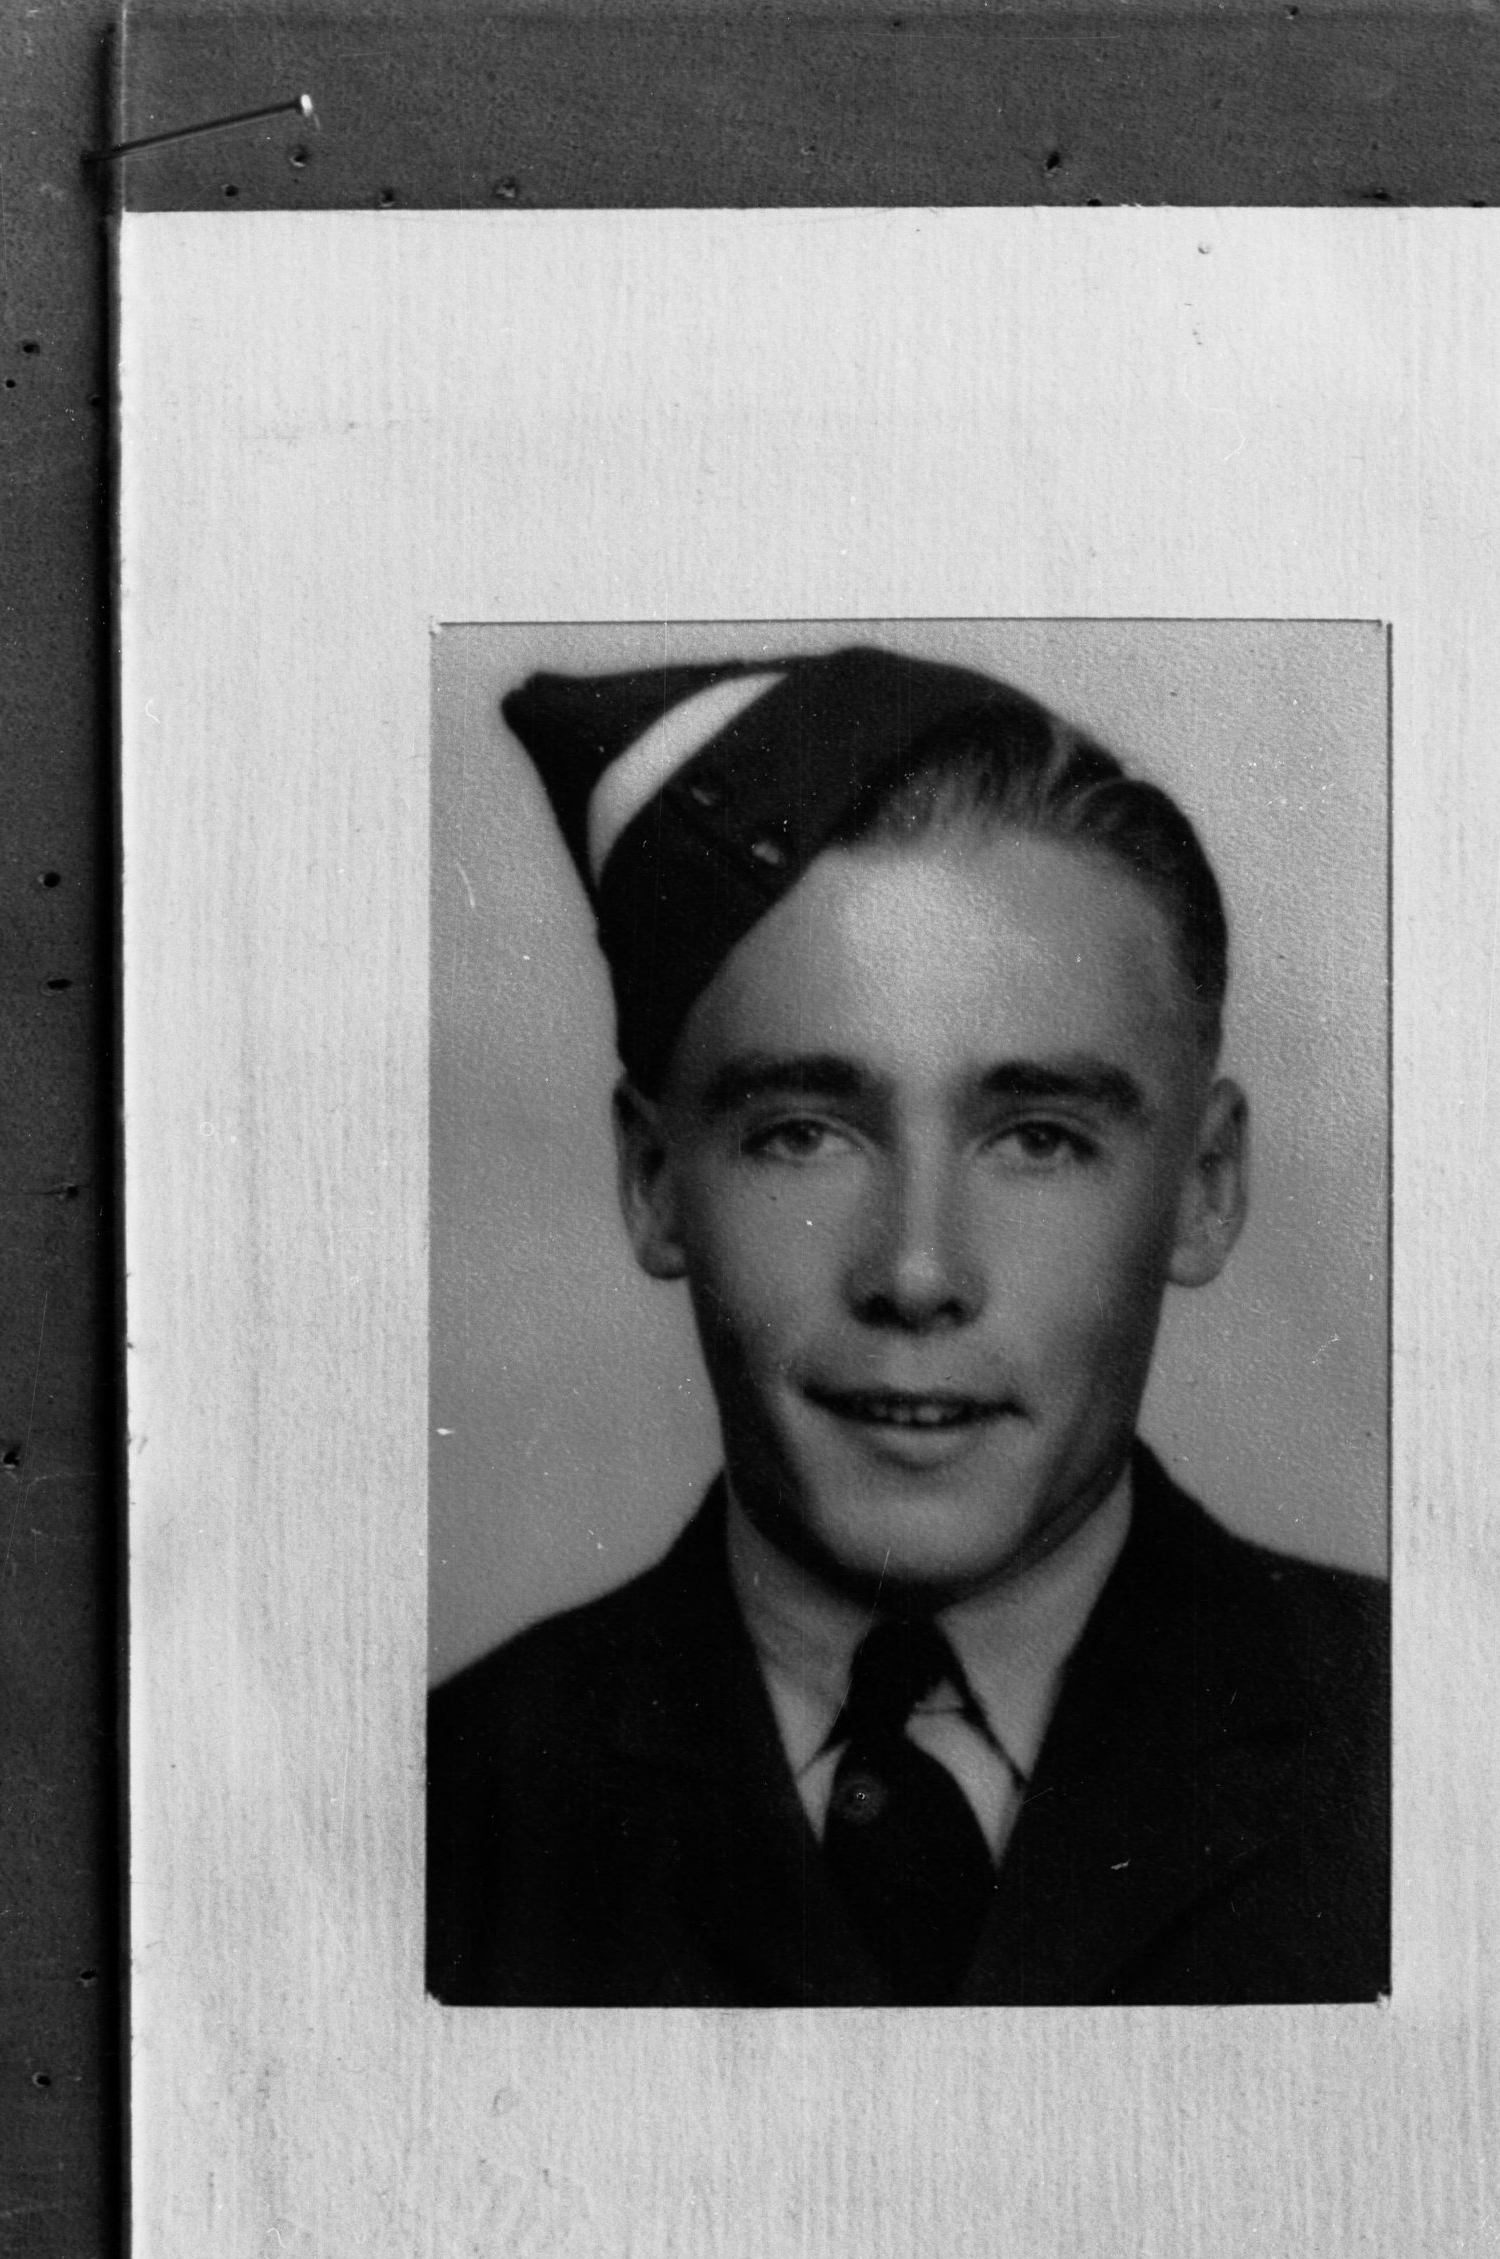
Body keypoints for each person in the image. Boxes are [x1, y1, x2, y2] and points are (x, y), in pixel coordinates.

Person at [427, 643, 1387, 2006]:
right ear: (654, 1185)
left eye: (1040, 1138)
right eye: (803, 1133)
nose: (919, 1271)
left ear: (1206, 1189)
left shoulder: (1444, 1750)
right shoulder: (443, 1808)